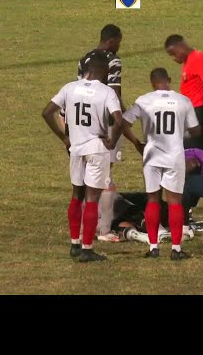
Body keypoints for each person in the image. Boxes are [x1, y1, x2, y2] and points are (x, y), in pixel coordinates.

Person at [110, 67, 201, 260]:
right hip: (174, 156)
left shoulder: (144, 100)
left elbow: (122, 123)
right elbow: (196, 131)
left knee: (152, 200)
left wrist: (135, 142)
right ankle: (176, 249)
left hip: (152, 155)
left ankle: (153, 247)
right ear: (169, 79)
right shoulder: (183, 101)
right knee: (175, 201)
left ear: (152, 83)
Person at [41, 53, 122, 263]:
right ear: (103, 70)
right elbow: (119, 121)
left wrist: (64, 138)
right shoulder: (107, 92)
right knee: (92, 198)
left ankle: (75, 244)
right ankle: (87, 249)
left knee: (76, 196)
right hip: (96, 149)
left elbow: (47, 112)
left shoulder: (69, 87)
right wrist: (112, 142)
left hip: (76, 149)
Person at [74, 24, 127, 242]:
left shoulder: (84, 59)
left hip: (82, 124)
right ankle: (103, 229)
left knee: (84, 178)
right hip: (106, 124)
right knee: (105, 177)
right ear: (112, 40)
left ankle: (80, 228)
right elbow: (114, 93)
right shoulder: (112, 61)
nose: (119, 46)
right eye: (119, 42)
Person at [164, 34, 203, 153]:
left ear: (180, 46)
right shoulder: (189, 61)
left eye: (173, 54)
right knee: (190, 152)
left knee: (195, 154)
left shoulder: (198, 59)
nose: (174, 58)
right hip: (193, 112)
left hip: (199, 113)